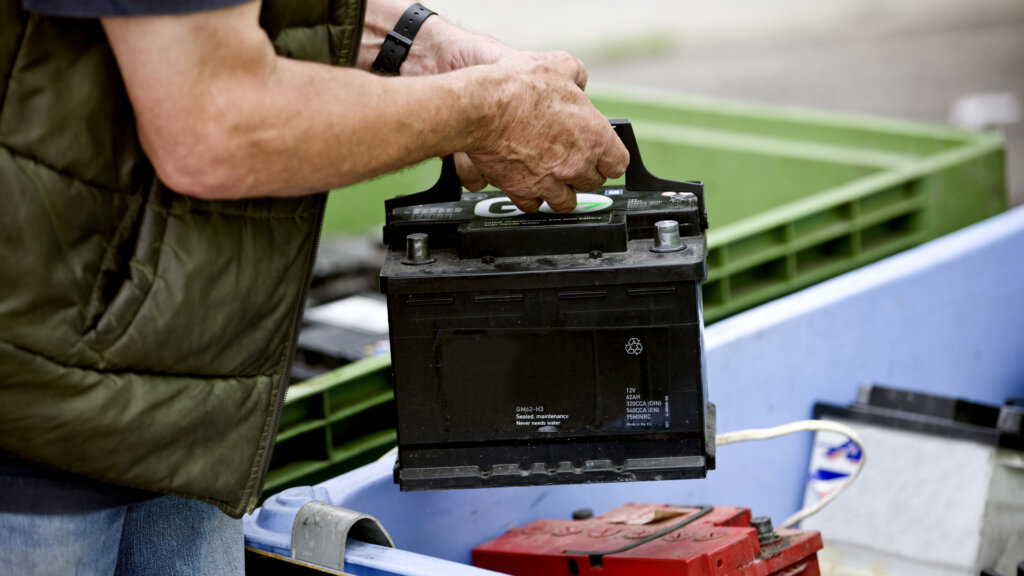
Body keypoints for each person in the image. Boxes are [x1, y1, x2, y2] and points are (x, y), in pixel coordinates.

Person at [0, 0, 629, 573]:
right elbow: (215, 123)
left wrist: (412, 45)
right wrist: (487, 109)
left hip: (189, 401)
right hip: (36, 429)